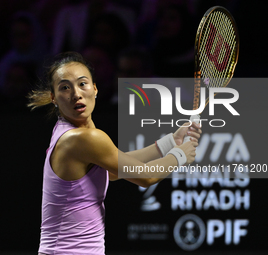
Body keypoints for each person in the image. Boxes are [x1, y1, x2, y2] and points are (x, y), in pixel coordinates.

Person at [28, 52, 201, 255]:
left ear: (95, 89)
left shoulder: (65, 131)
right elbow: (145, 176)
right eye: (65, 88)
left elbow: (112, 172)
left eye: (82, 84)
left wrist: (170, 142)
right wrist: (180, 156)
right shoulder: (83, 139)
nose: (76, 94)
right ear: (53, 98)